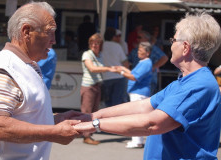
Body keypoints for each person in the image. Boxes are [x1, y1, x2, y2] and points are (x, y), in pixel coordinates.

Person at [74, 13, 221, 159]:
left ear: (185, 47)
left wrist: (94, 124)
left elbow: (152, 124)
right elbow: (144, 106)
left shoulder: (198, 86)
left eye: (173, 40)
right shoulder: (186, 82)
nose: (171, 45)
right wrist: (93, 116)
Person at [0, 2, 84, 159]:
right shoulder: (6, 68)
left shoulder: (24, 64)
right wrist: (54, 132)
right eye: (50, 32)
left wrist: (55, 120)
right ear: (26, 31)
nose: (54, 40)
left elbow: (22, 116)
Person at [115, 42, 152, 148]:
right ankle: (137, 140)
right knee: (137, 117)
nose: (138, 53)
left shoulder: (146, 63)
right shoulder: (143, 62)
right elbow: (133, 74)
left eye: (141, 51)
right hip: (137, 93)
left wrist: (121, 73)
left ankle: (137, 141)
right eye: (138, 50)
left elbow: (134, 77)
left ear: (147, 53)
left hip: (139, 93)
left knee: (137, 118)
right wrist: (122, 69)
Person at [81, 33, 116, 145]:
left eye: (97, 43)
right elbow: (92, 69)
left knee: (94, 112)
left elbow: (99, 69)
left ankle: (89, 134)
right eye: (92, 43)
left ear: (101, 45)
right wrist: (109, 69)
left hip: (97, 86)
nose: (94, 45)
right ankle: (86, 136)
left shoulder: (99, 55)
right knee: (87, 112)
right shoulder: (87, 54)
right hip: (88, 87)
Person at [128, 30, 168, 95]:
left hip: (149, 80)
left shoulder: (152, 48)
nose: (137, 39)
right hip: (136, 79)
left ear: (146, 39)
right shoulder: (135, 49)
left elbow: (164, 58)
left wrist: (153, 67)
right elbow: (128, 60)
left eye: (139, 37)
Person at [101, 27, 129, 107]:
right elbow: (125, 63)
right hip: (119, 77)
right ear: (113, 37)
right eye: (117, 36)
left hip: (106, 77)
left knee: (107, 103)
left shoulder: (101, 46)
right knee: (117, 104)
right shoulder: (117, 46)